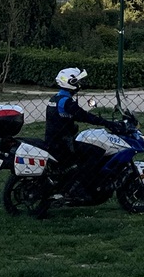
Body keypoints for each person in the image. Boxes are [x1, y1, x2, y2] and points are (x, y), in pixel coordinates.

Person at [44, 67, 115, 199]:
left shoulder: (55, 99)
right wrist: (107, 123)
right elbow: (84, 116)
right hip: (63, 144)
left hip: (55, 140)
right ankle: (79, 188)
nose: (79, 85)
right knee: (96, 153)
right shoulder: (67, 102)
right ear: (69, 82)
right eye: (76, 82)